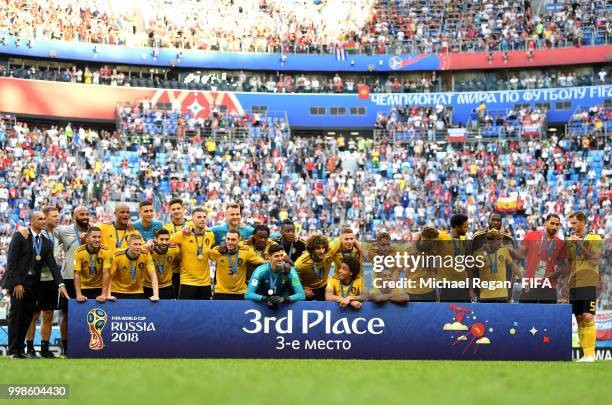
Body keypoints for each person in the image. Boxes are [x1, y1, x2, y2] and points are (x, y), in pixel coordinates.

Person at [1, 211, 69, 358]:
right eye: (40, 219)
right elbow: (12, 261)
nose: (43, 221)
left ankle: (20, 349)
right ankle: (13, 350)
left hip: (33, 285)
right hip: (19, 284)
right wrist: (17, 283)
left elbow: (52, 265)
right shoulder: (21, 235)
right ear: (31, 221)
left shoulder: (46, 242)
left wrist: (61, 284)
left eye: (44, 219)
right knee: (16, 316)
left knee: (26, 317)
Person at [24, 206, 63, 358]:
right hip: (36, 278)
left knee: (48, 314)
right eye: (54, 216)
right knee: (33, 314)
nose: (57, 218)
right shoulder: (33, 234)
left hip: (51, 278)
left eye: (58, 216)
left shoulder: (57, 234)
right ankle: (29, 348)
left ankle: (45, 349)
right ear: (45, 218)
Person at [564, 211, 602, 362]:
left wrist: (579, 243)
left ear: (582, 222)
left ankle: (590, 355)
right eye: (571, 223)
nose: (572, 226)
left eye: (574, 223)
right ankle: (585, 354)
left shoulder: (595, 238)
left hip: (589, 281)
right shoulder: (569, 240)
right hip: (574, 283)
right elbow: (569, 262)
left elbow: (594, 260)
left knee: (588, 316)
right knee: (579, 318)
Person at [515, 214, 567, 303]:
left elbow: (562, 267)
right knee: (524, 315)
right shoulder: (531, 236)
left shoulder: (560, 243)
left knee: (548, 316)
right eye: (552, 223)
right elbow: (518, 258)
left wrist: (555, 274)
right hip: (530, 284)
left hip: (549, 286)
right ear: (545, 223)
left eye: (557, 224)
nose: (555, 227)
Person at [170, 207, 215, 299]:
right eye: (199, 217)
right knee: (185, 312)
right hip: (187, 282)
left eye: (204, 217)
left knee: (204, 312)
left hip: (205, 283)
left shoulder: (210, 235)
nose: (202, 219)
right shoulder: (184, 234)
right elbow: (168, 241)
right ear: (192, 219)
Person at [208, 230, 267, 300]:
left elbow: (262, 261)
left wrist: (278, 261)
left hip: (240, 292)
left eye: (233, 240)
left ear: (239, 240)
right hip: (221, 292)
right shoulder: (217, 251)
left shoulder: (246, 252)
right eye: (228, 239)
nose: (230, 242)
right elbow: (205, 255)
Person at [471, 232, 521, 303]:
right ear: (490, 242)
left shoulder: (503, 251)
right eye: (498, 242)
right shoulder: (478, 254)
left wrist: (523, 279)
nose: (500, 244)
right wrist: (471, 290)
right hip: (485, 296)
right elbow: (469, 272)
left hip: (502, 296)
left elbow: (513, 266)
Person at [109, 233, 159, 301]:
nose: (138, 247)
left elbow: (153, 275)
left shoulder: (146, 254)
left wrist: (155, 295)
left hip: (137, 291)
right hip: (117, 290)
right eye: (135, 244)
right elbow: (109, 276)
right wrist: (108, 295)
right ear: (128, 244)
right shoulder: (117, 255)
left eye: (140, 244)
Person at [294, 234, 342, 301]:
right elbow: (292, 280)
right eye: (318, 248)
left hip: (324, 285)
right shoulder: (301, 263)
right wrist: (302, 291)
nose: (322, 251)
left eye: (323, 248)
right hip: (309, 290)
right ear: (311, 250)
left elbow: (342, 238)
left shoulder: (329, 251)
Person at [437, 214, 472, 302]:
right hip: (445, 284)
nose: (467, 229)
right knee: (445, 313)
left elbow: (468, 266)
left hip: (461, 284)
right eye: (465, 227)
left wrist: (470, 289)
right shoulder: (441, 236)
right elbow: (422, 234)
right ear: (457, 227)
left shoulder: (465, 239)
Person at [73, 226, 112, 302]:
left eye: (99, 237)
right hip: (83, 287)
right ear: (87, 238)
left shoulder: (107, 251)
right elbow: (77, 273)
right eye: (94, 237)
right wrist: (78, 294)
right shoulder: (78, 252)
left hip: (100, 287)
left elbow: (106, 273)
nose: (97, 240)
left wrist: (104, 294)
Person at [162, 198, 192, 296]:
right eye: (173, 209)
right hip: (172, 270)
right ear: (170, 211)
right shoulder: (166, 227)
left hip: (189, 271)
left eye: (178, 208)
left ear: (183, 209)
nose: (176, 211)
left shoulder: (192, 224)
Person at [143, 229, 179, 299]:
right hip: (148, 286)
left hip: (167, 286)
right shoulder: (147, 250)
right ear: (156, 240)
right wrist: (149, 242)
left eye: (167, 239)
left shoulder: (174, 250)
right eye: (161, 239)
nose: (164, 242)